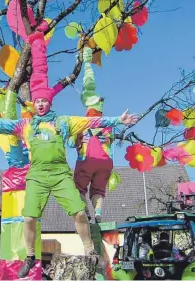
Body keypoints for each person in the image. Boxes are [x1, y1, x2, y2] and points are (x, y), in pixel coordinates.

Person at [0, 30, 139, 278]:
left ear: (49, 103)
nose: (40, 104)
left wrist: (118, 120)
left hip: (60, 174)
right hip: (37, 176)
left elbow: (92, 123)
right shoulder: (26, 126)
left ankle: (89, 249)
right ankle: (30, 256)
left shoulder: (63, 122)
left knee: (79, 212)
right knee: (28, 217)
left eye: (43, 101)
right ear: (34, 104)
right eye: (37, 101)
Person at [67, 47, 115, 223]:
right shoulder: (108, 124)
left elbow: (73, 142)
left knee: (79, 187)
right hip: (106, 162)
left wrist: (86, 62)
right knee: (98, 190)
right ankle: (98, 211)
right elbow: (112, 141)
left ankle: (85, 213)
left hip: (87, 160)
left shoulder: (82, 122)